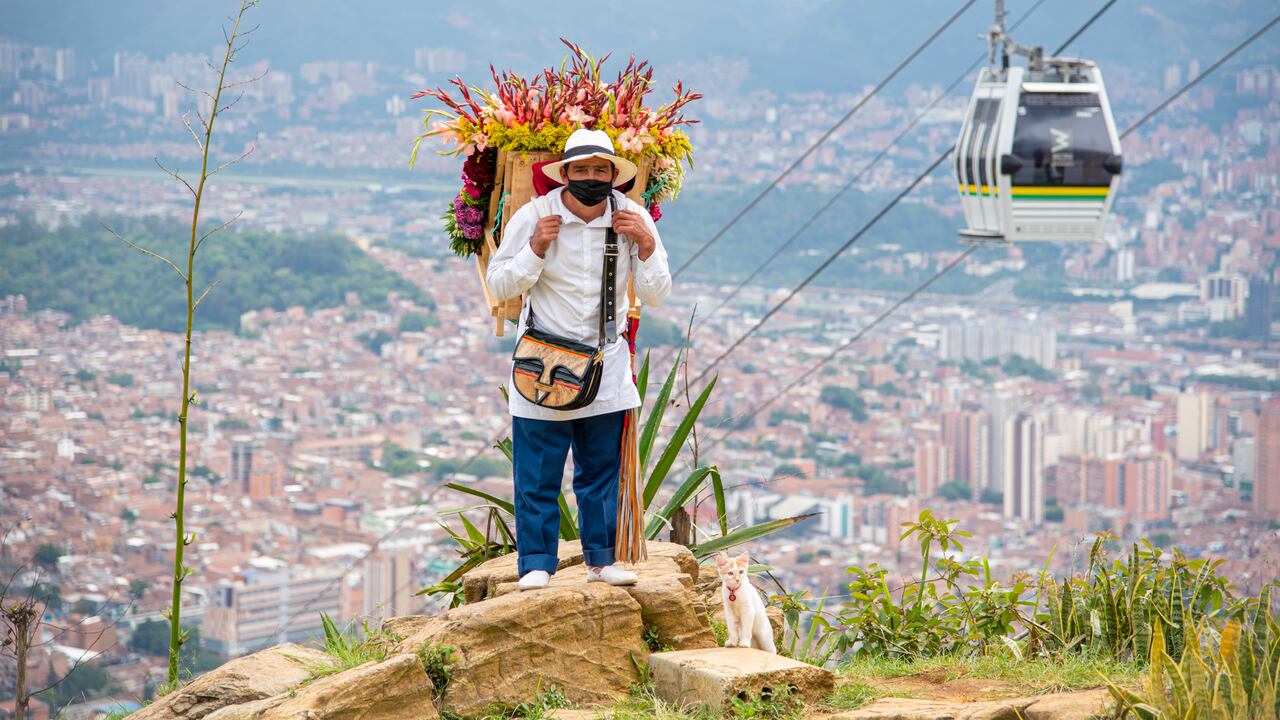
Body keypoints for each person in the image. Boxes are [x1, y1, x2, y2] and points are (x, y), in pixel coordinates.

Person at [486, 128, 672, 590]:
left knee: (600, 471)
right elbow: (500, 285)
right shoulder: (535, 216)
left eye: (600, 170)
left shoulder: (631, 217)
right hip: (543, 365)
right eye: (582, 169)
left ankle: (602, 560)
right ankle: (535, 563)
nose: (591, 177)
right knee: (537, 473)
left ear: (614, 175)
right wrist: (534, 249)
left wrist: (646, 246)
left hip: (605, 364)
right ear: (564, 174)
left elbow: (658, 293)